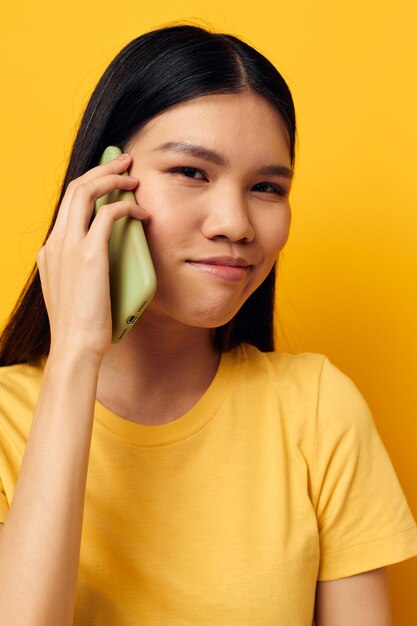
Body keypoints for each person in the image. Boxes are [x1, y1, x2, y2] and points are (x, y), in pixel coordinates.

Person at [0, 22, 416, 626]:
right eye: (192, 172)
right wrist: (75, 356)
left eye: (267, 187)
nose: (236, 224)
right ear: (102, 187)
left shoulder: (317, 411)